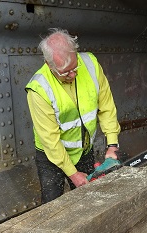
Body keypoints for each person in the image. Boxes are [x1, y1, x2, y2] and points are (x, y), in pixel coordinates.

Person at [26, 28, 121, 203]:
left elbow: (106, 106)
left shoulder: (91, 64)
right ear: (49, 64)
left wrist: (112, 144)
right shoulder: (38, 89)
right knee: (52, 205)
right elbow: (50, 140)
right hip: (51, 157)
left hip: (83, 150)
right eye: (65, 73)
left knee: (89, 200)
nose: (73, 74)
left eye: (74, 67)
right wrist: (73, 174)